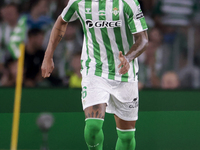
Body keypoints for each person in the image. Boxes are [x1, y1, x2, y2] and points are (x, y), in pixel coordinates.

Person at [41, 0, 148, 149]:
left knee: (127, 137)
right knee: (92, 127)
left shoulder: (128, 2)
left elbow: (143, 39)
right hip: (95, 69)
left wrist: (128, 58)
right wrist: (48, 56)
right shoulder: (79, 2)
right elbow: (62, 21)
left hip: (124, 72)